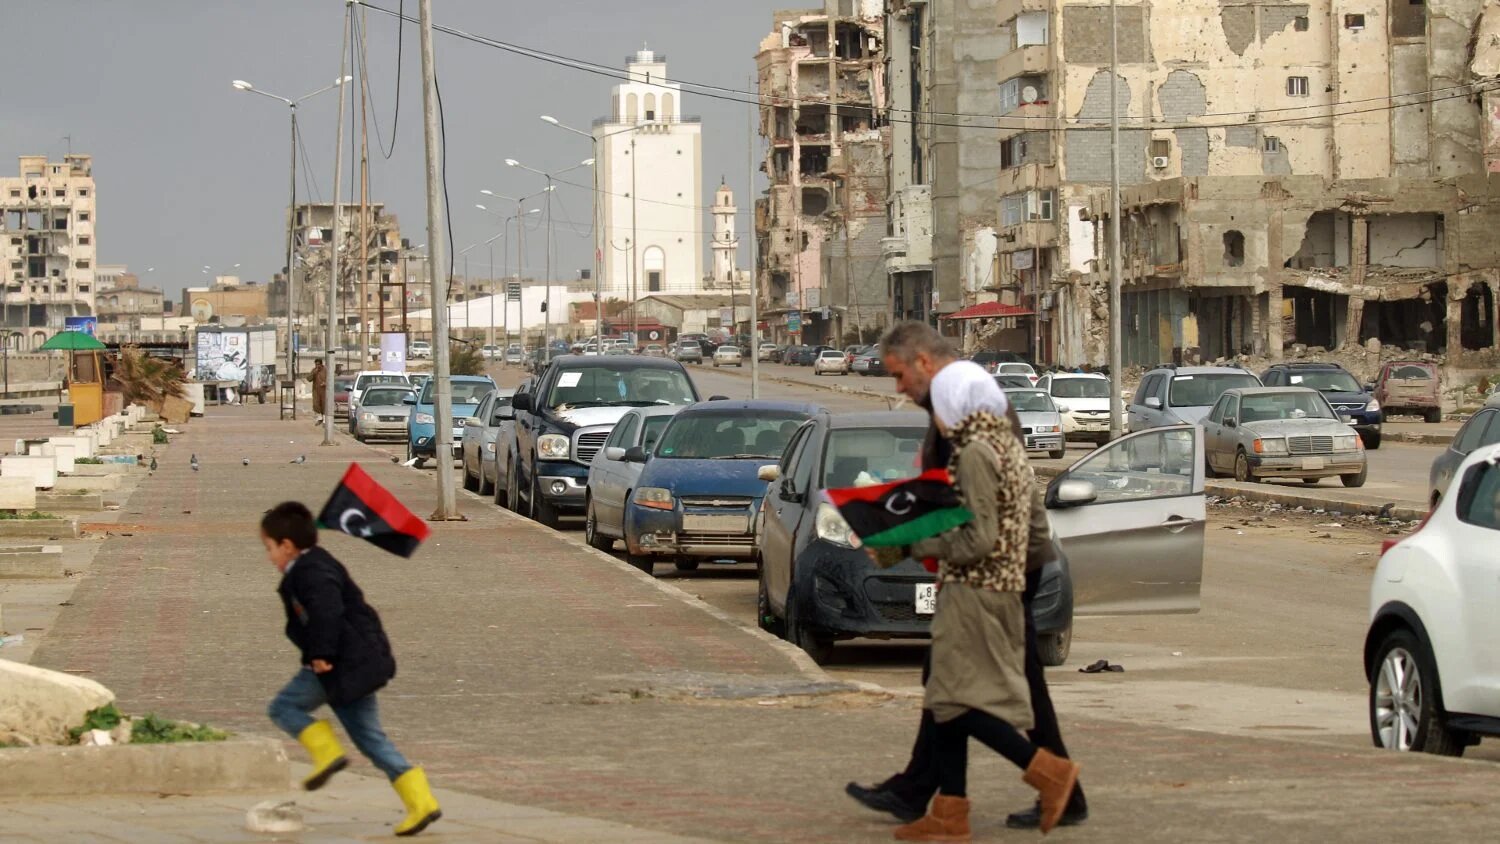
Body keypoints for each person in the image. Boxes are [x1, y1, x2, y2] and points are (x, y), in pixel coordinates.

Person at [846, 321, 1087, 831]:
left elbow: (984, 516)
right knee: (950, 683)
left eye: (898, 375)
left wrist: (905, 542)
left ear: (924, 364)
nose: (899, 389)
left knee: (965, 692)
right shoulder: (972, 415)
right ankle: (938, 801)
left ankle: (1050, 780)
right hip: (991, 570)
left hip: (996, 576)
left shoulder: (972, 421)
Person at [261, 502, 441, 837]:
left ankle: (328, 753)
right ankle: (422, 801)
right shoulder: (312, 566)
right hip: (354, 665)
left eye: (269, 548)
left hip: (337, 663)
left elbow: (327, 610)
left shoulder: (311, 571)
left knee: (284, 707)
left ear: (286, 545)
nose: (269, 556)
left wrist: (321, 653)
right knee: (371, 738)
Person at [309, 360, 327, 425]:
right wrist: (314, 373)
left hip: (324, 391)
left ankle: (324, 420)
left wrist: (325, 383)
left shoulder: (326, 370)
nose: (317, 366)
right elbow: (308, 379)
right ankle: (320, 418)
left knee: (324, 405)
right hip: (316, 390)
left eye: (318, 364)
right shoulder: (314, 370)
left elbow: (330, 379)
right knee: (316, 404)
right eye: (316, 364)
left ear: (321, 364)